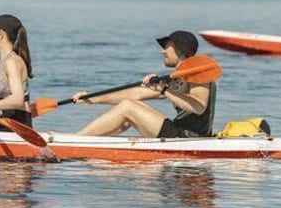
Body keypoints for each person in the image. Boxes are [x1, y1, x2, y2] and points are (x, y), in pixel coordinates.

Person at [74, 30, 216, 138]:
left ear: (179, 48)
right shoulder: (174, 78)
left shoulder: (200, 74)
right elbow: (134, 93)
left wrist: (164, 89)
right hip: (177, 131)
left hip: (190, 137)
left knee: (128, 107)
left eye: (166, 46)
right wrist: (92, 98)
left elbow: (198, 106)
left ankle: (76, 140)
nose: (162, 51)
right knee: (129, 103)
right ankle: (87, 142)